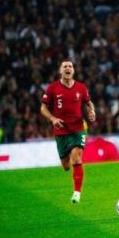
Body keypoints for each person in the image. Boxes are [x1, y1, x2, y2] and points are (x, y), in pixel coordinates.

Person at [40, 59, 96, 203]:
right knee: (66, 165)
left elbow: (89, 103)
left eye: (70, 66)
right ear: (60, 71)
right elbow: (43, 108)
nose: (68, 68)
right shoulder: (52, 88)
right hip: (61, 131)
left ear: (73, 70)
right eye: (65, 66)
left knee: (76, 157)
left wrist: (92, 112)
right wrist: (53, 119)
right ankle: (70, 165)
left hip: (78, 128)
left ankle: (77, 193)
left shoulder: (81, 87)